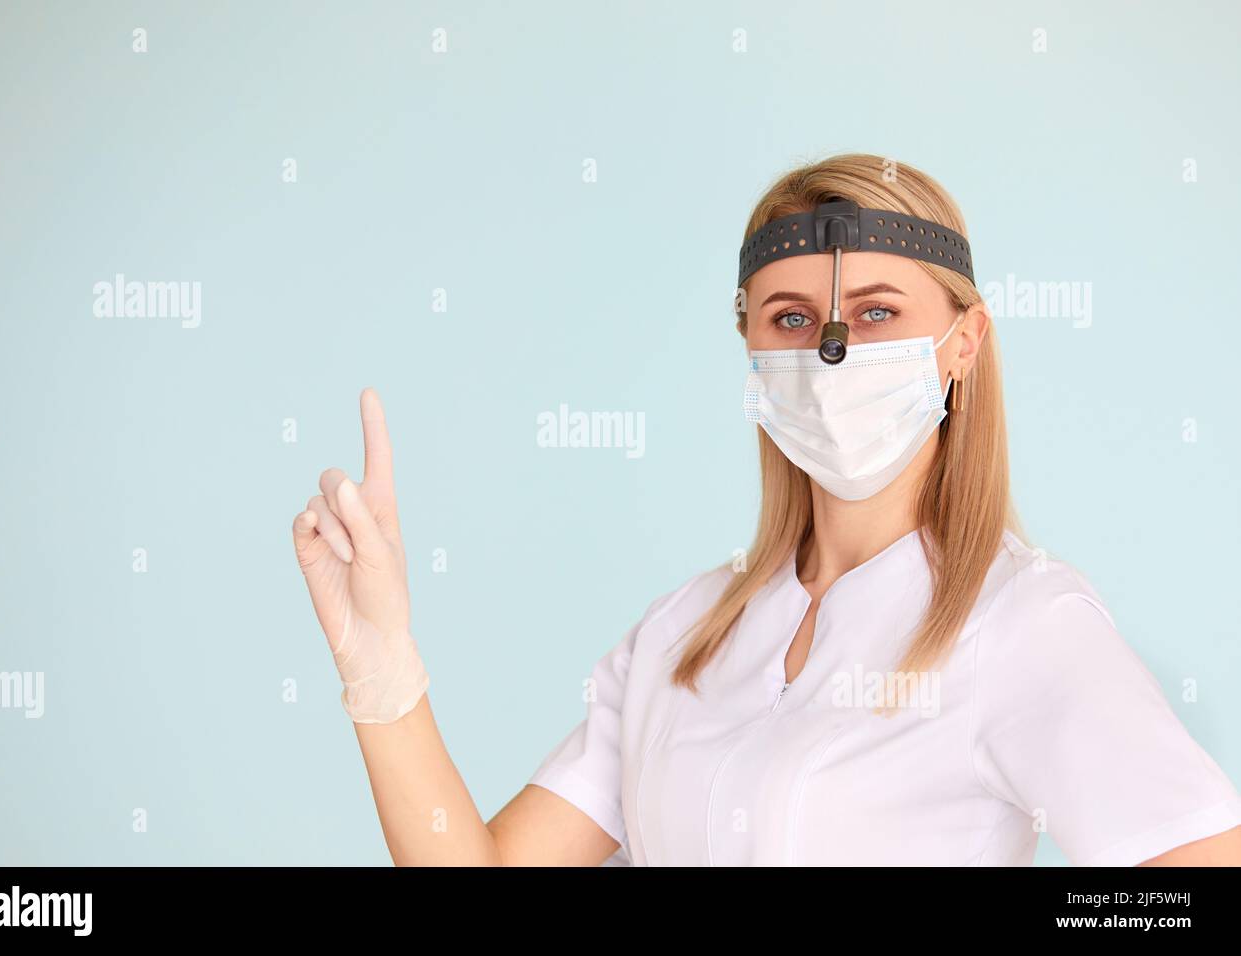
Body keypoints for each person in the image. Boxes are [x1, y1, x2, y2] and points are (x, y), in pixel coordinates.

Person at [290, 153, 1241, 866]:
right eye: (790, 319)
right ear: (749, 345)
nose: (829, 352)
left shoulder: (1023, 625)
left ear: (962, 342)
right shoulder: (682, 636)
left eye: (876, 314)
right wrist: (383, 670)